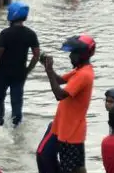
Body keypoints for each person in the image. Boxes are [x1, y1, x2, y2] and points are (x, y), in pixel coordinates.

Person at [41, 34, 97, 173]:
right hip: (66, 128)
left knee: (72, 169)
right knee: (73, 166)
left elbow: (59, 95)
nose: (70, 56)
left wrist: (48, 71)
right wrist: (48, 67)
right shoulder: (80, 71)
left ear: (83, 54)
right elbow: (59, 80)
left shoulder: (83, 75)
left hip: (71, 133)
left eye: (74, 53)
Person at [0, 1, 40, 127]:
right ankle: (16, 128)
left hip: (3, 74)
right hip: (19, 74)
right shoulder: (31, 34)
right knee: (16, 102)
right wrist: (27, 70)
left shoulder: (5, 34)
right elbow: (36, 55)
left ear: (12, 15)